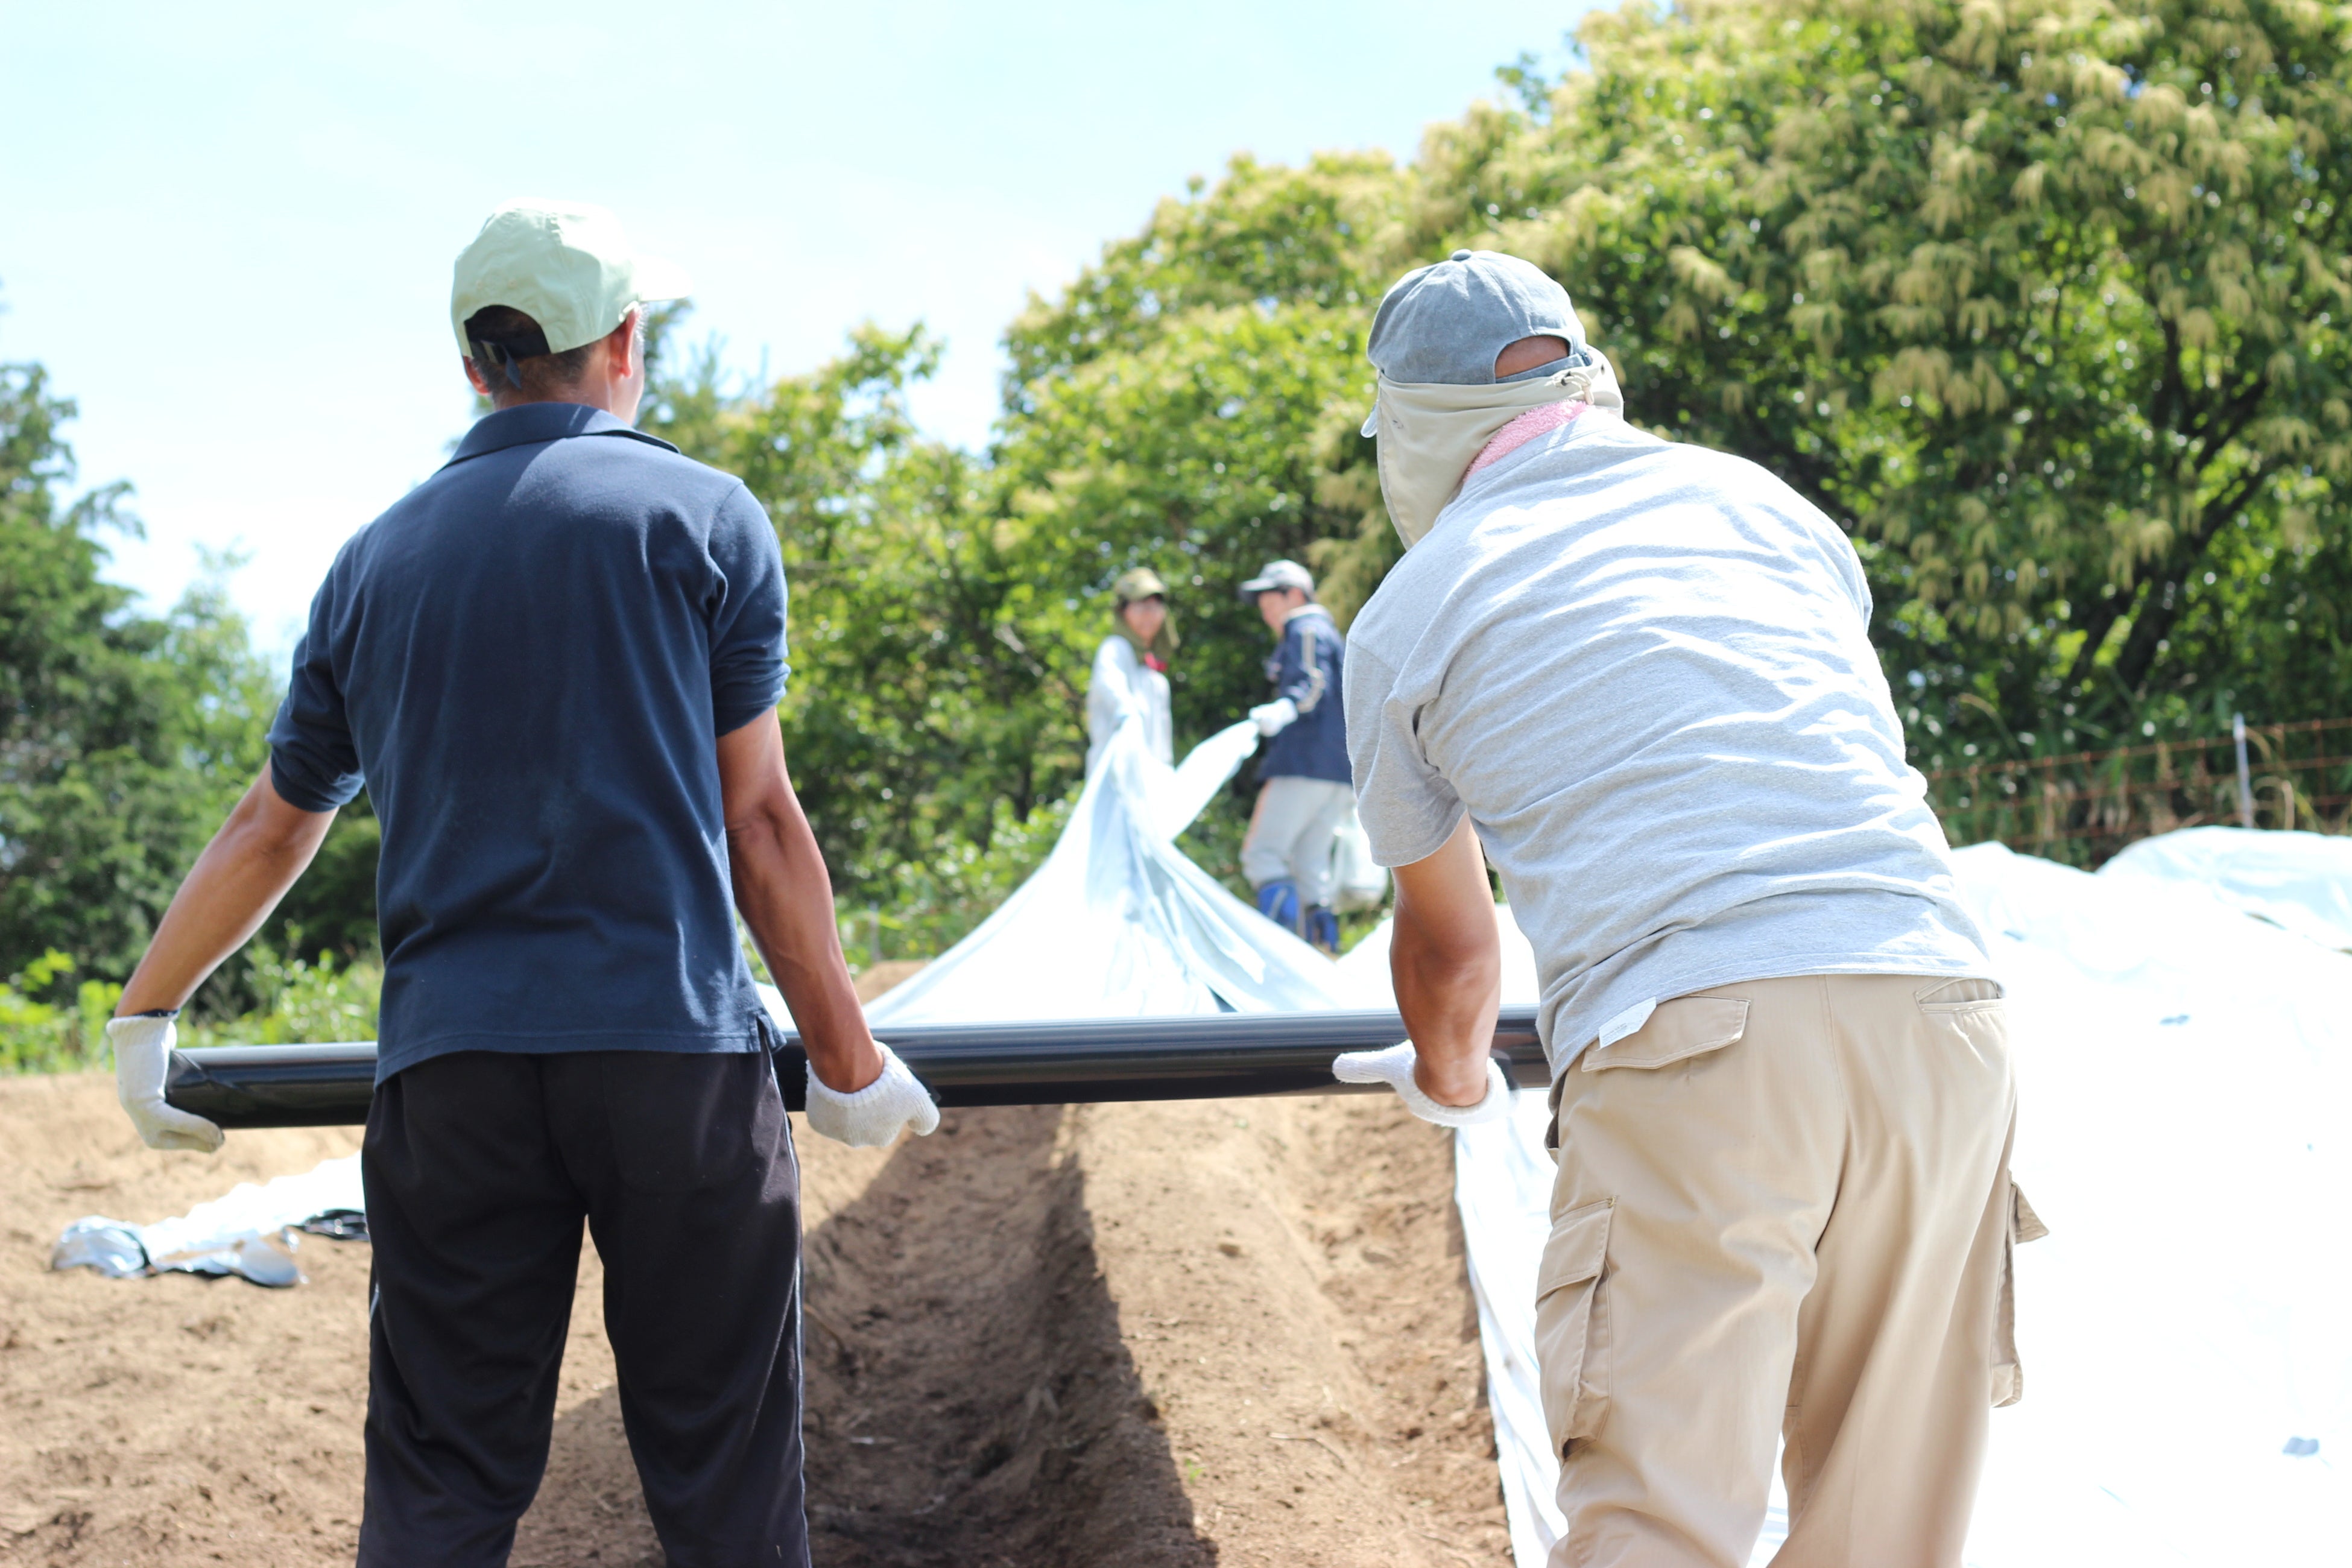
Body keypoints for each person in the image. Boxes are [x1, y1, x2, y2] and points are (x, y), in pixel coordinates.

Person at [103, 200, 939, 1568]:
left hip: (453, 1080)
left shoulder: (374, 563)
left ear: (474, 365)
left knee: (441, 1487)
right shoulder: (703, 517)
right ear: (624, 342)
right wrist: (846, 1062)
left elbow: (271, 824)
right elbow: (758, 823)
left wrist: (147, 1015)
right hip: (670, 1064)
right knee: (725, 1489)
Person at [1331, 250, 2023, 1567]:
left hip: (1697, 1042)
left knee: (1660, 1522)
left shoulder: (1411, 612)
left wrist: (1454, 1079)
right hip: (1941, 1011)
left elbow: (1456, 952)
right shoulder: (1765, 505)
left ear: (1409, 425)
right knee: (1885, 1529)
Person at [1237, 558, 1351, 954]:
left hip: (1303, 763)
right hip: (1338, 771)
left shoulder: (1305, 628)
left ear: (1296, 594)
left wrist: (1287, 707)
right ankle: (1322, 957)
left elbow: (1313, 682)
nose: (1265, 608)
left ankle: (1279, 960)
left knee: (1263, 855)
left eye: (1271, 597)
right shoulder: (1330, 632)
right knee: (1310, 867)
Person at [1086, 566, 1177, 774]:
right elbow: (1113, 690)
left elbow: (1162, 742)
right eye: (1140, 607)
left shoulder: (1153, 672)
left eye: (1155, 607)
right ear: (1122, 611)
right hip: (1116, 776)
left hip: (1150, 779)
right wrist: (1128, 715)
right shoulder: (1115, 650)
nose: (1149, 614)